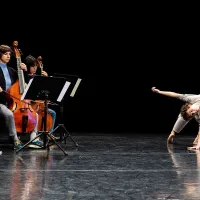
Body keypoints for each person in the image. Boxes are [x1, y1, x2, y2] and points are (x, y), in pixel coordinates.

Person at [0, 44, 43, 150]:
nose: (8, 56)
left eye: (10, 54)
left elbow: (26, 82)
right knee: (9, 114)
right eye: (6, 54)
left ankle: (34, 138)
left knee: (35, 114)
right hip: (1, 102)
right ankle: (15, 139)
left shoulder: (11, 70)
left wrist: (24, 71)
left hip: (13, 101)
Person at [25, 55, 57, 134]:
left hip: (38, 105)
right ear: (28, 67)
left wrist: (46, 78)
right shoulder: (26, 77)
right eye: (33, 67)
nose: (35, 68)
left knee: (52, 113)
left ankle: (50, 133)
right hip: (30, 104)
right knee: (36, 114)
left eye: (36, 66)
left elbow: (45, 90)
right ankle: (35, 134)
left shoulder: (37, 77)